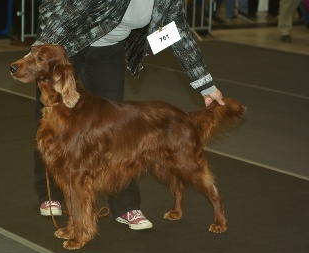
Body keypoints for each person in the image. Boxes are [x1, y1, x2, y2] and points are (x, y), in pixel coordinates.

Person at [33, 0, 225, 231]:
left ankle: (125, 205)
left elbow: (178, 33)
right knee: (55, 130)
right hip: (66, 46)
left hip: (108, 52)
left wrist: (206, 86)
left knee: (118, 132)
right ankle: (50, 194)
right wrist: (37, 54)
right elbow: (64, 11)